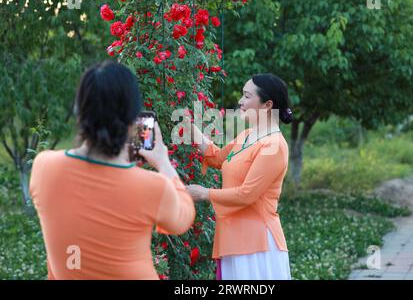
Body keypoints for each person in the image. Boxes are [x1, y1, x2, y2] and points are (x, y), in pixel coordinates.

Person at [29, 61, 195, 279]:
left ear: (80, 111)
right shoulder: (153, 186)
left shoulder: (44, 167)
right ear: (133, 119)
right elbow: (182, 218)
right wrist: (163, 162)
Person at [187, 73, 293, 280]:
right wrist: (189, 126)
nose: (240, 102)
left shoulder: (274, 145)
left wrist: (203, 193)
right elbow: (217, 158)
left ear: (267, 105)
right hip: (233, 237)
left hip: (256, 243)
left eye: (246, 96)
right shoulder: (247, 136)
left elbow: (247, 194)